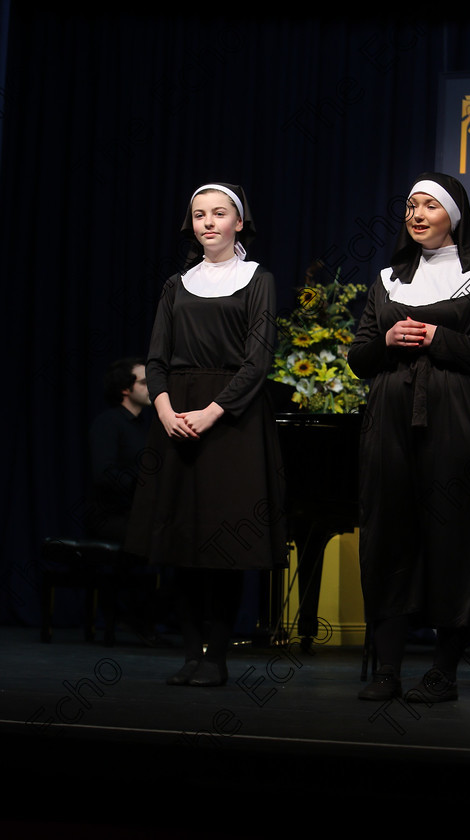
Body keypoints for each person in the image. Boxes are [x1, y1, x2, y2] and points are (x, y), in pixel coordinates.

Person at [347, 172, 470, 703]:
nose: (416, 215)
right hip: (389, 420)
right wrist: (388, 340)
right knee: (388, 533)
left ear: (454, 217)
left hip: (456, 421)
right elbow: (358, 358)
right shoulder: (387, 280)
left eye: (429, 206)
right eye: (410, 206)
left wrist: (442, 339)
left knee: (454, 537)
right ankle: (388, 669)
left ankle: (444, 672)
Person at [125, 181, 287, 687]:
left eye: (219, 214)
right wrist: (167, 409)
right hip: (177, 418)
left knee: (223, 544)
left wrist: (213, 411)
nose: (208, 223)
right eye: (199, 215)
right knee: (180, 541)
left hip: (231, 422)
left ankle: (215, 656)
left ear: (239, 222)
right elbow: (156, 358)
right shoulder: (176, 284)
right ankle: (190, 652)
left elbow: (258, 359)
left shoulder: (258, 279)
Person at [86, 357, 165, 645]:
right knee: (150, 538)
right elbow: (104, 474)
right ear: (125, 389)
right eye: (144, 382)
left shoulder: (145, 427)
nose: (150, 388)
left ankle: (147, 618)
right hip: (109, 515)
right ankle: (132, 616)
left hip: (136, 512)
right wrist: (142, 487)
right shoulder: (108, 423)